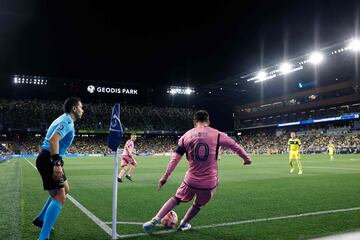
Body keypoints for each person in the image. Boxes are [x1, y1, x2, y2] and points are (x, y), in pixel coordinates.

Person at [143, 110, 252, 232]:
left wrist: (165, 177)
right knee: (198, 204)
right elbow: (235, 146)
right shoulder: (218, 134)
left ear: (194, 121)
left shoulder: (186, 136)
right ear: (208, 121)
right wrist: (246, 159)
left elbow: (175, 159)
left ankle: (155, 220)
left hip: (191, 180)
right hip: (209, 183)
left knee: (176, 199)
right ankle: (184, 223)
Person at [32, 98, 84, 240]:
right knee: (60, 197)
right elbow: (53, 140)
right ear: (74, 108)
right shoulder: (66, 121)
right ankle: (43, 237)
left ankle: (41, 219)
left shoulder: (64, 119)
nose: (82, 110)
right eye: (81, 107)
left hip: (50, 158)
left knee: (65, 189)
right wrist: (56, 163)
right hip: (49, 159)